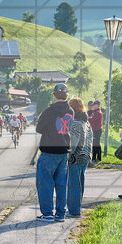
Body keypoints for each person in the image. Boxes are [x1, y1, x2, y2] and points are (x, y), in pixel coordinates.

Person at [33, 84, 73, 221]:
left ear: (54, 94)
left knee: (45, 183)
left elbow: (39, 129)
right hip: (64, 151)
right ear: (66, 95)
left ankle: (48, 213)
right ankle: (61, 214)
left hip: (49, 150)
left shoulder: (49, 111)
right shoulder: (71, 111)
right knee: (61, 184)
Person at [66, 97, 93, 217]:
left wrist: (68, 155)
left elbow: (74, 143)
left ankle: (74, 211)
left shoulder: (76, 123)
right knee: (80, 183)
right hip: (86, 155)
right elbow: (91, 140)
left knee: (73, 185)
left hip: (76, 157)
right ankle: (77, 208)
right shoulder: (86, 122)